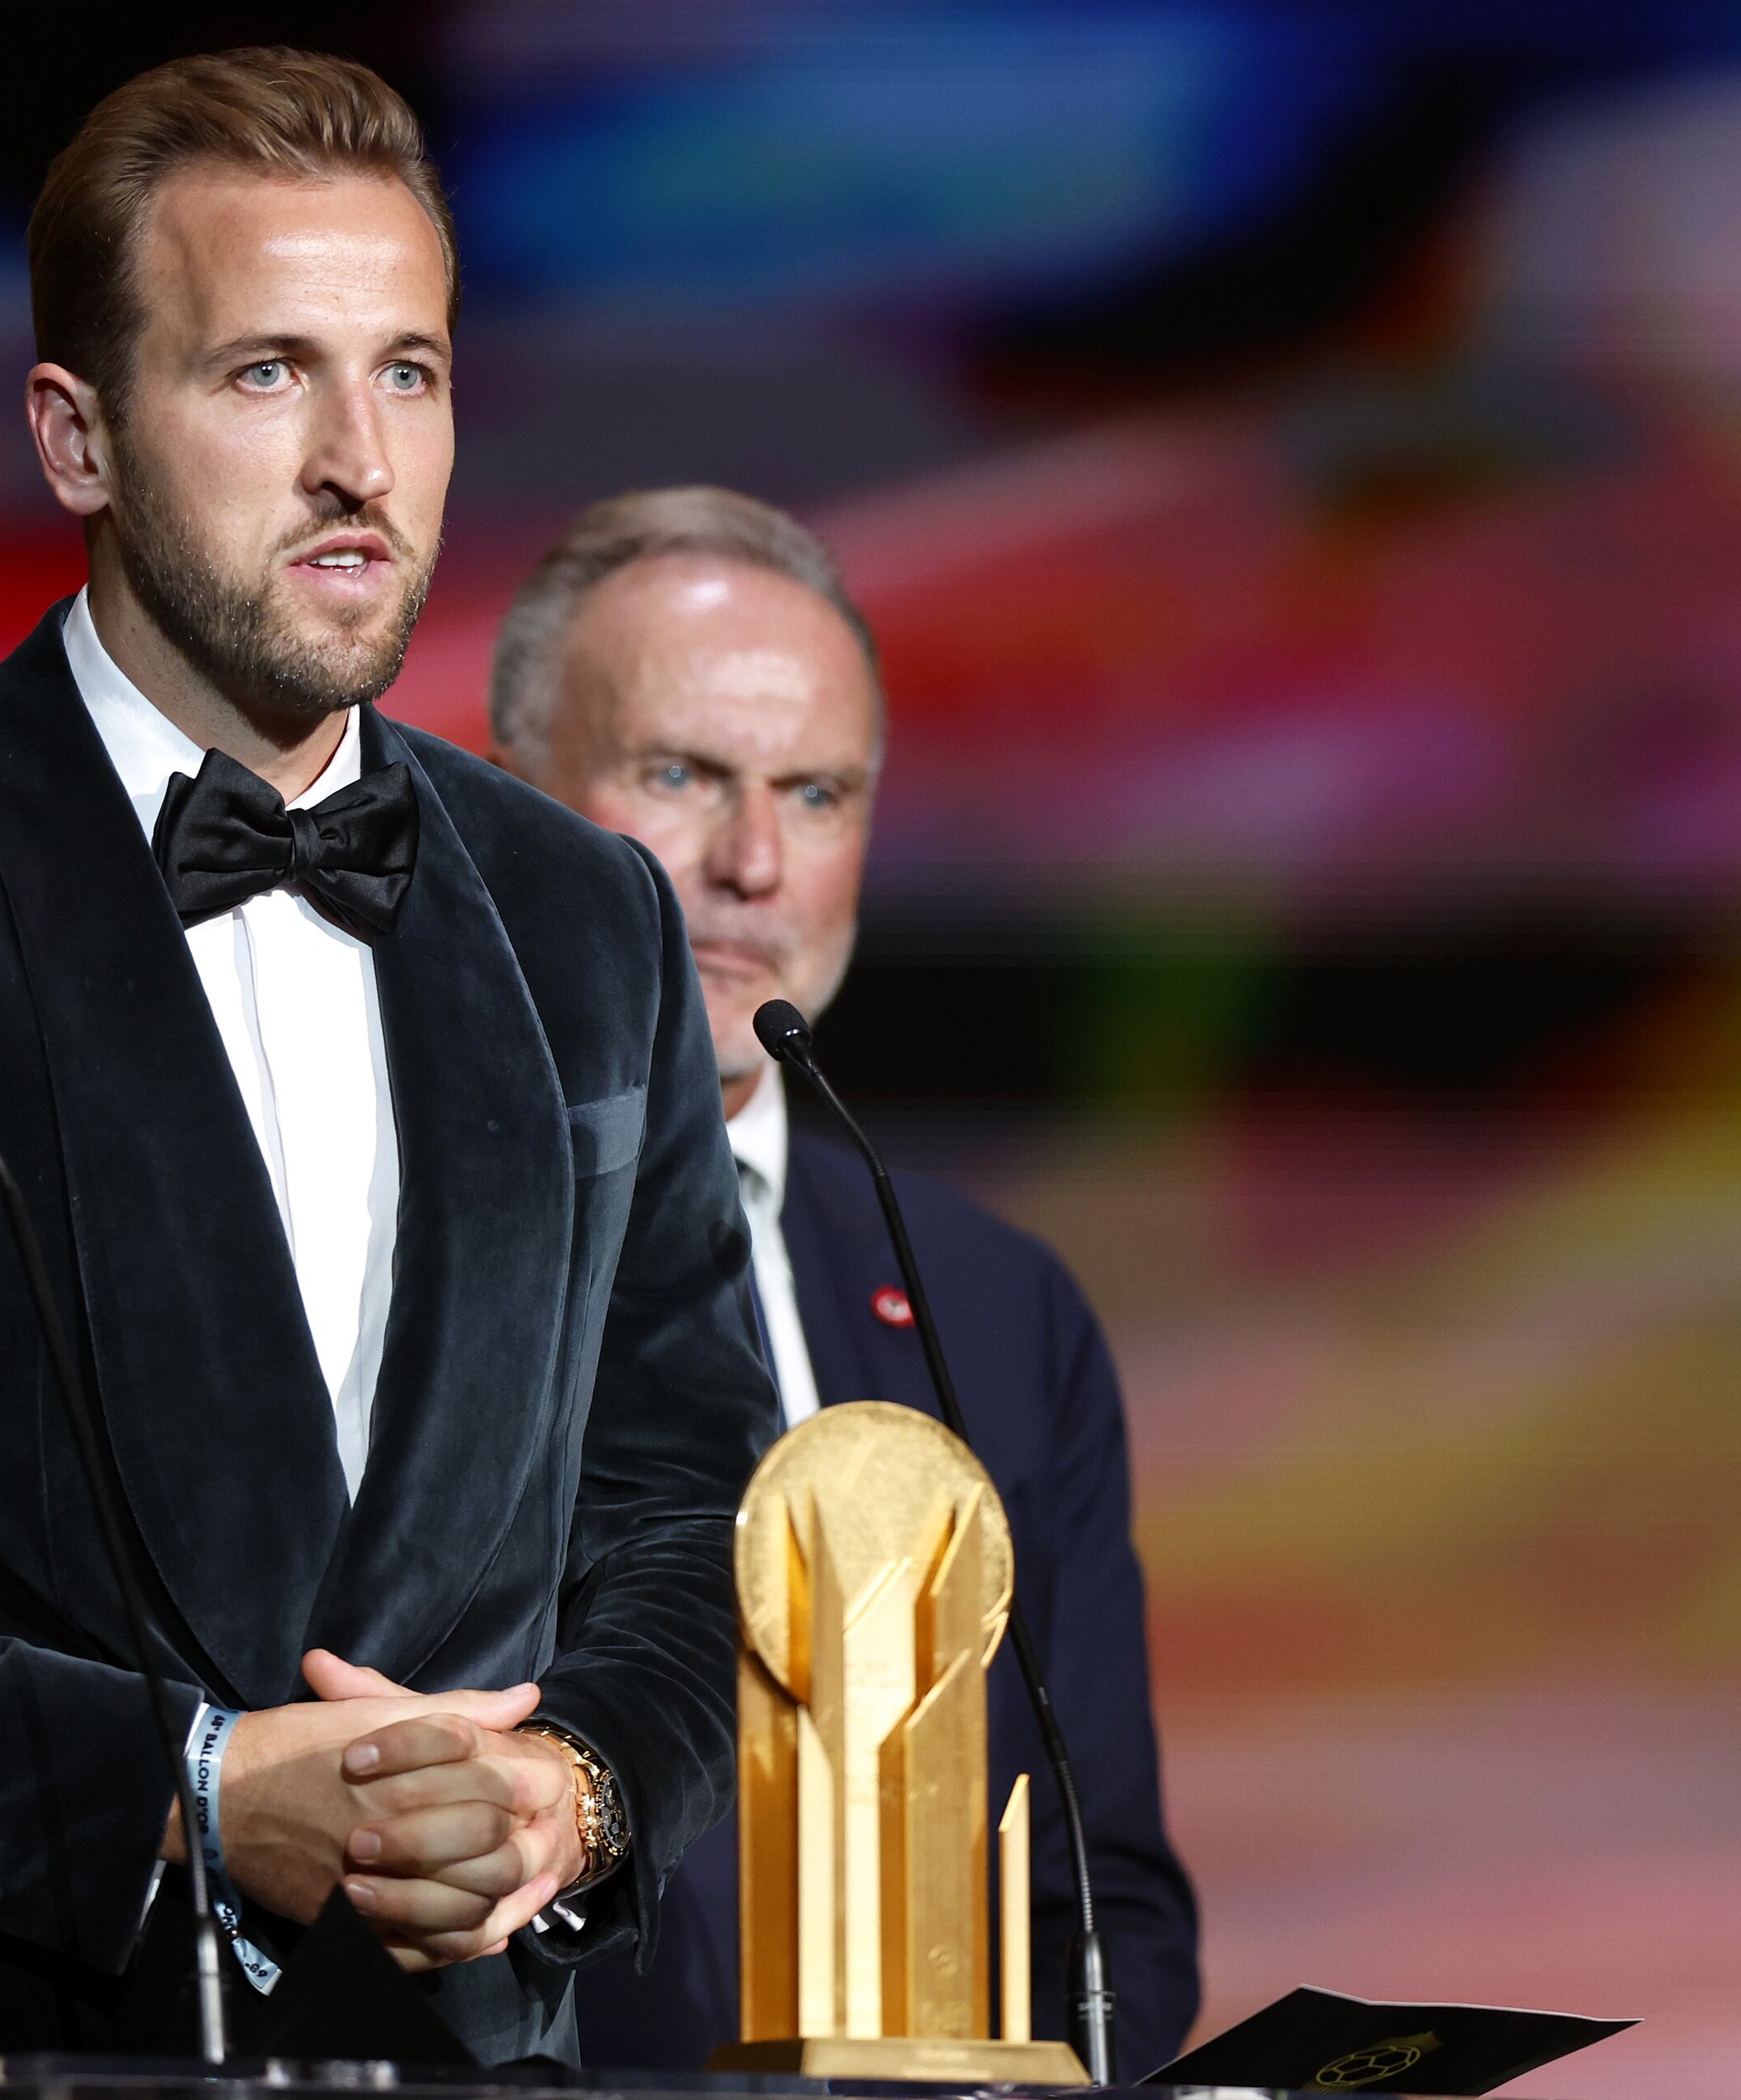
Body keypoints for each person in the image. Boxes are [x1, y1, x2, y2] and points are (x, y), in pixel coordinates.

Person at [0, 55, 778, 2081]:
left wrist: (581, 1792)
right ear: (75, 436)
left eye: (409, 374)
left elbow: (695, 1499)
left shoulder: (580, 910)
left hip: (457, 2052)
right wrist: (171, 1790)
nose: (361, 460)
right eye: (267, 374)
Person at [494, 486, 1202, 2075]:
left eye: (814, 795)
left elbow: (1108, 1902)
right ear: (501, 802)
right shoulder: (358, 1246)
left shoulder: (990, 1307)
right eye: (678, 775)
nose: (752, 861)